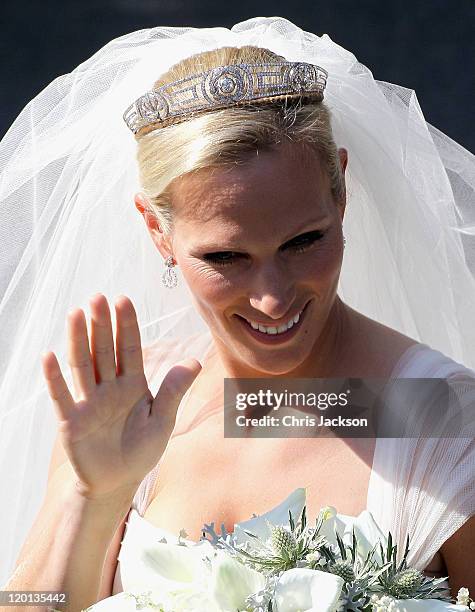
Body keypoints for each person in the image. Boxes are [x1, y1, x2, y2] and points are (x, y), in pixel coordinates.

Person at [0, 16, 474, 611]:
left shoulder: (441, 419)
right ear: (157, 231)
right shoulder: (131, 402)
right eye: (226, 257)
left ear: (342, 194)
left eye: (303, 241)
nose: (272, 298)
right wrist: (92, 498)